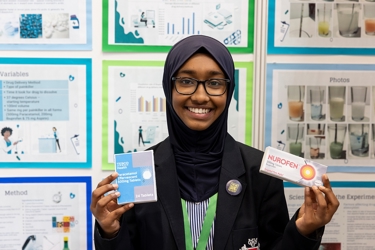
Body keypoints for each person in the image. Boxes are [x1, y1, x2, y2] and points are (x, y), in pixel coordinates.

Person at [91, 35, 339, 250]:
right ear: (169, 87)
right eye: (186, 81)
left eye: (215, 83)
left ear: (228, 91)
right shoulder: (138, 171)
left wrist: (304, 229)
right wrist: (110, 231)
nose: (200, 96)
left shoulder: (259, 172)